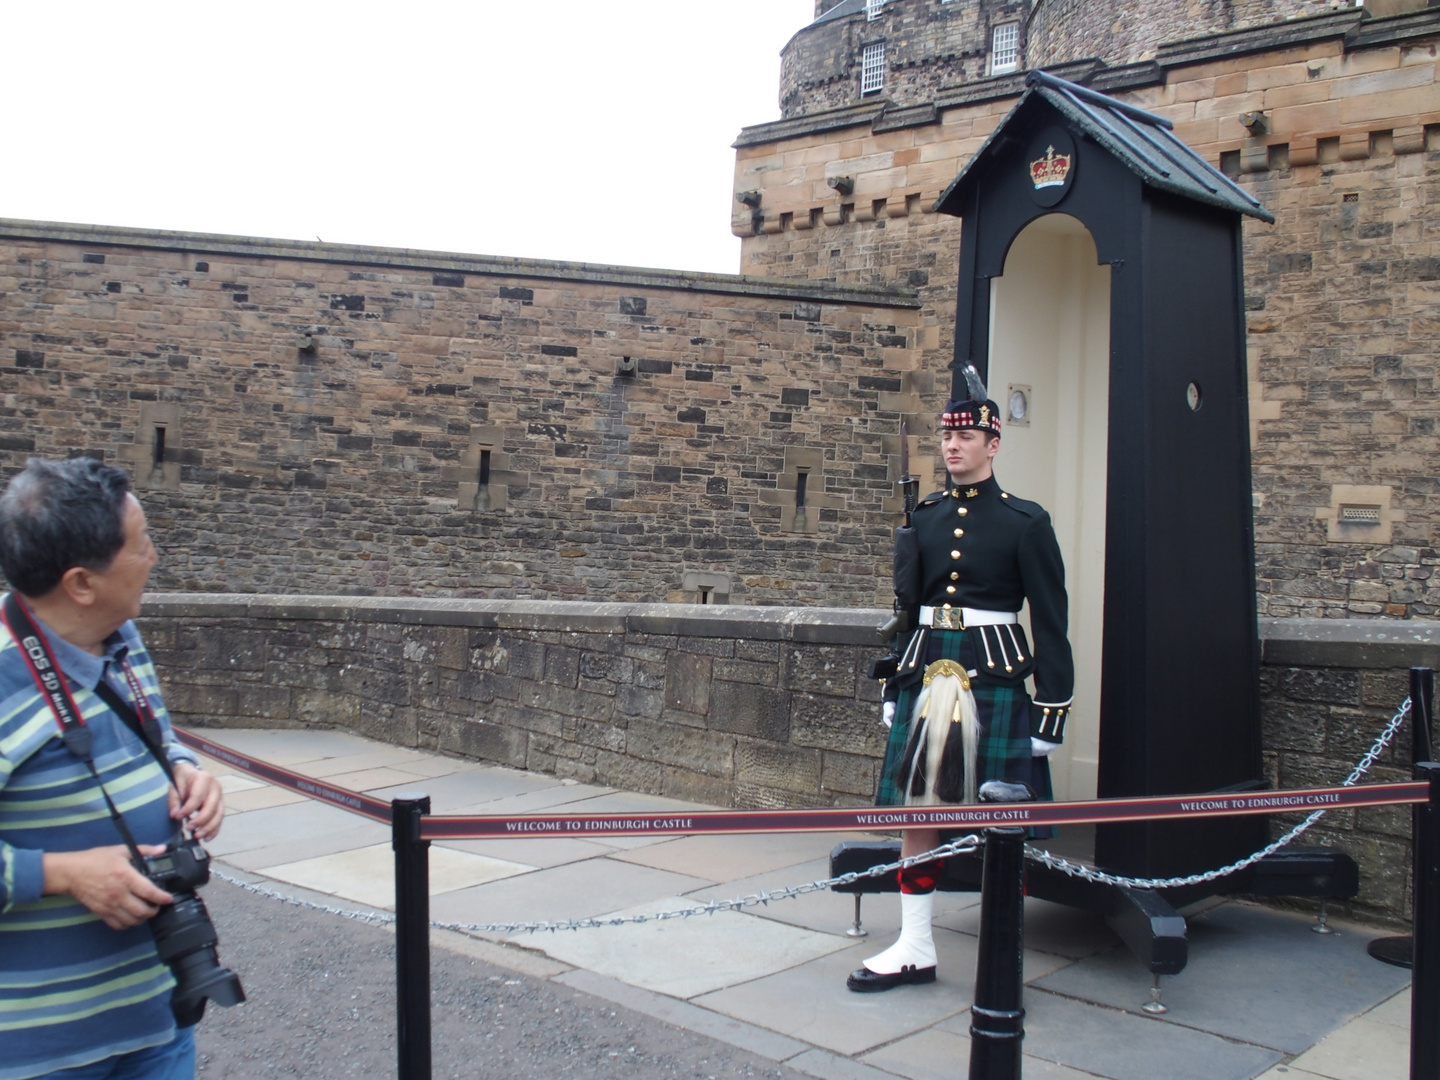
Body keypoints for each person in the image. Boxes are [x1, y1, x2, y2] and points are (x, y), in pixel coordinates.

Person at [0, 458, 224, 1079]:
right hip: (36, 1052)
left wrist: (181, 767)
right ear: (80, 583)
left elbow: (152, 736)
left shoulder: (122, 639)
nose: (154, 556)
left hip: (157, 1018)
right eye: (141, 544)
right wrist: (59, 874)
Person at [848, 380, 1074, 992]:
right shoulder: (924, 518)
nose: (952, 445)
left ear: (993, 443)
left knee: (1004, 820)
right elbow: (907, 608)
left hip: (993, 674)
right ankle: (915, 945)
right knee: (919, 810)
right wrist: (896, 687)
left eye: (965, 435)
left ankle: (1005, 952)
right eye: (947, 435)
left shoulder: (1026, 522)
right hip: (928, 666)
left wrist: (1051, 710)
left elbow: (1052, 624)